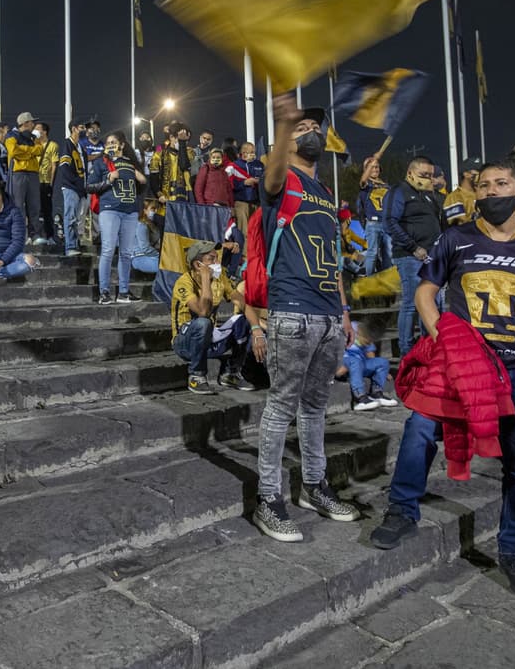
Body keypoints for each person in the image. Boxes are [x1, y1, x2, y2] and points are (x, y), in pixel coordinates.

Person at [370, 159, 515, 600]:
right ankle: (402, 510)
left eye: (502, 183)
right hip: (464, 365)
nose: (491, 191)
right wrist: (443, 335)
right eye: (483, 185)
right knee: (420, 428)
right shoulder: (456, 237)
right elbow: (425, 291)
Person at [252, 94, 362, 543]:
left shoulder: (324, 192)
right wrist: (283, 126)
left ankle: (314, 486)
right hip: (292, 311)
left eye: (313, 127)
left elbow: (334, 260)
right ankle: (268, 498)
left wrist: (344, 311)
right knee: (280, 407)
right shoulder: (282, 180)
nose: (309, 132)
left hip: (328, 315)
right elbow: (273, 173)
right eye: (302, 129)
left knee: (316, 409)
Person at [170, 240, 251, 393]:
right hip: (185, 344)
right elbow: (203, 312)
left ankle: (231, 373)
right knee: (203, 322)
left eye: (217, 258)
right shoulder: (183, 282)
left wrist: (257, 327)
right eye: (211, 259)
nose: (217, 262)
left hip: (210, 340)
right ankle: (197, 376)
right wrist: (206, 279)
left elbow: (241, 301)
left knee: (245, 320)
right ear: (197, 264)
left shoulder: (220, 278)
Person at [384, 155, 443, 357]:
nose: (428, 178)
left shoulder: (427, 195)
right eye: (423, 174)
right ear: (410, 173)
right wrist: (413, 247)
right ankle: (406, 350)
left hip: (432, 257)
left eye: (430, 175)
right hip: (411, 256)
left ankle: (429, 348)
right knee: (411, 303)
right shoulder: (398, 191)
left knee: (432, 302)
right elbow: (390, 222)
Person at [86, 130, 146, 305]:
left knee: (126, 253)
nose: (110, 145)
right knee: (108, 249)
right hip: (110, 209)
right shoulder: (101, 163)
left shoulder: (132, 163)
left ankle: (124, 292)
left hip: (130, 211)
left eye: (114, 142)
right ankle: (104, 292)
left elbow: (141, 189)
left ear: (122, 145)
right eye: (108, 142)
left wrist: (143, 181)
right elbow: (89, 187)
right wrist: (108, 180)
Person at [335, 318, 398, 412]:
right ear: (361, 331)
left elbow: (371, 355)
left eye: (370, 341)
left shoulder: (369, 336)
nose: (367, 343)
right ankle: (360, 397)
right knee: (355, 361)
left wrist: (383, 371)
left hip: (360, 365)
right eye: (366, 340)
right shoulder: (350, 328)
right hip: (346, 364)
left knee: (383, 362)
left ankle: (376, 393)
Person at [5, 112, 47, 244]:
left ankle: (34, 235)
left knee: (34, 206)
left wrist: (24, 151)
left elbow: (40, 150)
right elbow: (13, 152)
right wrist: (30, 151)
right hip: (18, 173)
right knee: (18, 206)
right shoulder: (11, 135)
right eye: (31, 122)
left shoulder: (34, 137)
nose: (33, 125)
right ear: (24, 123)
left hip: (33, 173)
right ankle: (20, 236)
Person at [55, 118, 88, 257]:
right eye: (81, 127)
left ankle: (75, 244)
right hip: (70, 187)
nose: (84, 130)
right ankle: (70, 246)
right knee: (70, 217)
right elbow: (64, 167)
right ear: (74, 128)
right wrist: (74, 183)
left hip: (80, 188)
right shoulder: (67, 144)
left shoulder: (79, 147)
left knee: (77, 218)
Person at [357, 154, 392, 276]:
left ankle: (386, 279)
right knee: (372, 253)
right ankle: (369, 278)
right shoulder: (366, 185)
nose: (375, 169)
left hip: (387, 223)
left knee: (389, 253)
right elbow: (362, 181)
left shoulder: (386, 185)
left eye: (377, 167)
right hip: (373, 223)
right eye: (372, 167)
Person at [149, 122, 192, 204]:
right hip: (165, 201)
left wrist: (182, 143)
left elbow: (184, 165)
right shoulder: (159, 149)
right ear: (171, 136)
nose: (185, 142)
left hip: (184, 199)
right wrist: (159, 194)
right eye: (181, 138)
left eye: (186, 140)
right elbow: (153, 178)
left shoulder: (189, 151)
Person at [229, 141, 264, 233]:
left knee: (256, 232)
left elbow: (266, 180)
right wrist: (244, 183)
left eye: (254, 152)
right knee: (244, 232)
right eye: (251, 152)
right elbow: (228, 185)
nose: (253, 154)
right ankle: (244, 248)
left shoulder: (259, 165)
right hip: (241, 203)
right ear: (243, 153)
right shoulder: (233, 166)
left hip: (257, 203)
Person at [38, 121, 59, 244]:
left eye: (38, 129)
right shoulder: (33, 144)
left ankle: (50, 236)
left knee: (46, 210)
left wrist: (51, 184)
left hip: (45, 182)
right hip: (34, 182)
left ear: (44, 131)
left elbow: (54, 165)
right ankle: (35, 235)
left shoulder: (52, 145)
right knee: (34, 211)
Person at [443, 159, 480, 226]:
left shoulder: (481, 193)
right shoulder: (455, 197)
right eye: (477, 171)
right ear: (466, 174)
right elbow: (460, 225)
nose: (480, 174)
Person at [132, 197, 163, 275]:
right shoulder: (141, 225)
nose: (156, 211)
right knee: (168, 267)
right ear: (145, 211)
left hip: (152, 256)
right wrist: (159, 255)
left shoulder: (153, 224)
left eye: (157, 209)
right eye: (153, 209)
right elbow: (145, 248)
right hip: (139, 258)